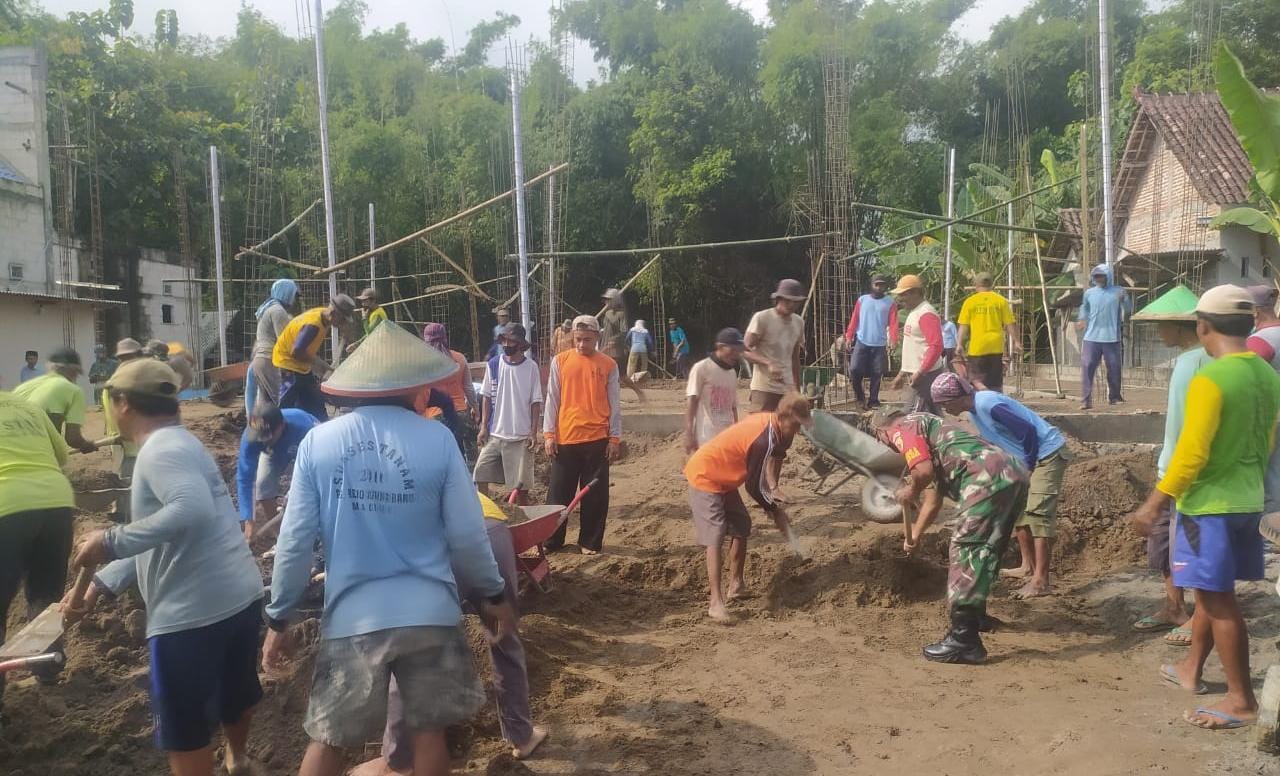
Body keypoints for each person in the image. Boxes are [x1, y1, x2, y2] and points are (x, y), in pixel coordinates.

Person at [262, 322, 515, 776]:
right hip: (430, 614)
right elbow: (466, 535)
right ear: (414, 387)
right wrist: (493, 596)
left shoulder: (319, 442)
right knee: (428, 734)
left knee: (329, 738)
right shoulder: (436, 440)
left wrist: (279, 617)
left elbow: (295, 541)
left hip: (354, 618)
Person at [64, 358, 265, 776]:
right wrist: (99, 583)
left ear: (120, 403)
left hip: (191, 615)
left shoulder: (158, 450)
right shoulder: (184, 443)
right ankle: (238, 760)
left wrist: (110, 540)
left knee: (185, 727)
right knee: (235, 694)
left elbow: (187, 511)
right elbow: (168, 532)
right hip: (239, 596)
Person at [1129, 284, 1280, 731]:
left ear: (1202, 326)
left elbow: (1191, 454)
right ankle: (1191, 669)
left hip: (1208, 505)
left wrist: (1153, 504)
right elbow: (1268, 440)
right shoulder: (1266, 375)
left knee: (1218, 603)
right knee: (1211, 596)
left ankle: (1241, 701)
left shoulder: (1210, 378)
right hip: (1247, 499)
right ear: (1250, 321)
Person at [360, 490, 549, 775]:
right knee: (504, 637)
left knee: (409, 651)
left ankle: (398, 761)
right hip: (491, 530)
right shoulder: (433, 464)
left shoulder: (370, 494)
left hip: (440, 543)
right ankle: (522, 735)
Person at [876, 407, 1029, 664]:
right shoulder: (933, 430)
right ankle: (977, 615)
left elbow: (922, 473)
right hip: (1011, 472)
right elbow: (933, 500)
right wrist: (914, 535)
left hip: (985, 479)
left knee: (966, 549)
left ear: (882, 433)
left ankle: (964, 640)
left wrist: (909, 491)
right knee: (987, 549)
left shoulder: (902, 429)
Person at [931, 372, 1070, 599]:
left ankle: (1041, 581)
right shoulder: (975, 411)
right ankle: (1027, 566)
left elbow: (1027, 431)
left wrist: (1028, 464)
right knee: (1019, 512)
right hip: (1029, 457)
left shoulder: (987, 404)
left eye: (945, 404)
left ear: (957, 398)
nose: (946, 409)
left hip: (1047, 454)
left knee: (1037, 514)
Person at [1129, 286, 1209, 644]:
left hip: (1182, 472)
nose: (1159, 333)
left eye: (1161, 326)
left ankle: (1191, 615)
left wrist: (1167, 479)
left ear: (1179, 327)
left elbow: (1180, 428)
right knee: (1175, 544)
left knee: (1179, 545)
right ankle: (1176, 607)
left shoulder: (1191, 364)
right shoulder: (1209, 359)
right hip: (1193, 470)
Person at [684, 393, 810, 621]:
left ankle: (736, 585)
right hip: (706, 474)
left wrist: (773, 509)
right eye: (796, 425)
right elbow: (753, 486)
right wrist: (774, 510)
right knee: (715, 535)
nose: (798, 431)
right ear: (785, 418)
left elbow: (776, 455)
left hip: (724, 476)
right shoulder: (764, 437)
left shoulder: (774, 425)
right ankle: (715, 602)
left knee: (741, 523)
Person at [0, 388, 75, 713]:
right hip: (55, 500)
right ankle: (47, 671)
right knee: (46, 594)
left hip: (7, 503)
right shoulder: (25, 406)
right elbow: (62, 455)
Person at [544, 315, 622, 555]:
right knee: (559, 493)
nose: (581, 345)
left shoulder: (608, 365)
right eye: (578, 340)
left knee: (595, 496)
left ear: (597, 337)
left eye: (587, 340)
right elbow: (552, 400)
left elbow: (615, 404)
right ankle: (552, 540)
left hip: (597, 438)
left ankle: (589, 542)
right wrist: (548, 434)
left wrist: (614, 438)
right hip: (565, 438)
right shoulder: (560, 361)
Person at [475, 323, 542, 503]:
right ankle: (486, 512)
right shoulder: (494, 365)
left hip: (520, 436)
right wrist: (483, 427)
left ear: (520, 344)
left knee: (521, 487)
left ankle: (522, 518)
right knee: (480, 473)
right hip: (496, 434)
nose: (506, 344)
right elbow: (486, 396)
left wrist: (533, 432)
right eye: (504, 340)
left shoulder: (531, 368)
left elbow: (536, 402)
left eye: (511, 341)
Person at [235, 404, 319, 540]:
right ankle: (280, 538)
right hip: (272, 453)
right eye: (259, 438)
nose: (261, 441)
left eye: (266, 437)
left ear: (281, 426)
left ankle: (311, 534)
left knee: (305, 497)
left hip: (306, 453)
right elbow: (245, 478)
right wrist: (248, 521)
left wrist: (292, 493)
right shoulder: (252, 436)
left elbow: (318, 468)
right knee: (263, 488)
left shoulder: (306, 428)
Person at [272, 294, 356, 421]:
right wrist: (319, 365)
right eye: (342, 320)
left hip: (300, 367)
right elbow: (297, 352)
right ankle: (273, 426)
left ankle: (320, 426)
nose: (342, 323)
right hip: (287, 365)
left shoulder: (323, 315)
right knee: (285, 405)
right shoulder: (313, 325)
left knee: (315, 402)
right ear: (334, 313)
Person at [14, 347, 97, 454]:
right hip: (36, 454)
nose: (76, 377)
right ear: (72, 370)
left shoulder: (23, 387)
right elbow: (73, 439)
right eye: (76, 373)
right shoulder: (73, 390)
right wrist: (86, 445)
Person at [100, 338, 148, 522]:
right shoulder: (123, 384)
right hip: (130, 445)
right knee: (130, 490)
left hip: (125, 444)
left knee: (128, 489)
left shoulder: (114, 382)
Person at [1245, 284, 1280, 533]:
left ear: (1256, 312)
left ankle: (1271, 531)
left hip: (1270, 418)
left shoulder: (1258, 341)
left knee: (1269, 474)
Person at [744, 279, 806, 412]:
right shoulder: (762, 318)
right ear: (778, 299)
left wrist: (796, 390)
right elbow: (745, 349)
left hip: (787, 389)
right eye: (788, 300)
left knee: (784, 430)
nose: (791, 305)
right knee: (761, 428)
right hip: (764, 388)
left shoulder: (798, 322)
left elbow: (795, 359)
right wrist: (767, 362)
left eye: (795, 302)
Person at [422, 322, 480, 463]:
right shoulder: (459, 358)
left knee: (443, 459)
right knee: (471, 458)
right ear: (445, 337)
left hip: (435, 417)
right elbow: (469, 389)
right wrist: (476, 408)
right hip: (461, 413)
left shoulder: (423, 363)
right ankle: (473, 483)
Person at [1076, 263, 1132, 409]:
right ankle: (1086, 400)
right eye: (1096, 276)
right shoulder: (1089, 293)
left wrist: (1124, 300)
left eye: (1101, 276)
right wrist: (1082, 319)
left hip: (1112, 337)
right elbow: (1084, 308)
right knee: (1088, 366)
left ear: (1108, 276)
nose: (1099, 278)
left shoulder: (1119, 291)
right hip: (1091, 337)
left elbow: (1128, 308)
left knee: (1114, 367)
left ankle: (1114, 396)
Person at [887, 275, 945, 415]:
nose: (900, 299)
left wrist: (920, 372)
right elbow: (914, 348)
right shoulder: (916, 312)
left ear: (915, 292)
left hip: (926, 375)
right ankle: (943, 436)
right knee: (932, 414)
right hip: (921, 374)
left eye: (903, 294)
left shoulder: (925, 313)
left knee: (911, 414)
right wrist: (902, 374)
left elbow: (936, 346)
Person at [956, 272, 1020, 392]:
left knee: (975, 379)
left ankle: (982, 395)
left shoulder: (970, 302)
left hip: (977, 347)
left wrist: (959, 344)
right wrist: (1017, 342)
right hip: (996, 346)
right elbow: (1010, 323)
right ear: (992, 285)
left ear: (976, 285)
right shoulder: (1000, 301)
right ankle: (994, 400)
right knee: (995, 381)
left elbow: (963, 326)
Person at [684, 327, 743, 453]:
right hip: (706, 437)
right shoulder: (701, 368)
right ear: (720, 347)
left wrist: (737, 432)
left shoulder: (732, 373)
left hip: (727, 437)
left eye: (738, 351)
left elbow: (733, 407)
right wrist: (689, 433)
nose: (735, 355)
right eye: (732, 350)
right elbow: (692, 401)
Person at [843, 274, 899, 409]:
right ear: (872, 285)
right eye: (877, 284)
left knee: (877, 372)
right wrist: (849, 336)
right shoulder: (862, 300)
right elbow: (854, 320)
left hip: (879, 343)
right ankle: (860, 397)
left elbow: (893, 323)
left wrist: (893, 339)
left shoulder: (890, 303)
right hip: (862, 341)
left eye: (882, 285)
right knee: (855, 369)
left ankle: (873, 400)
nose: (879, 287)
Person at [248, 278, 300, 414]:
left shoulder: (267, 308)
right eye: (294, 295)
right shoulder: (278, 311)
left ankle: (258, 430)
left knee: (265, 402)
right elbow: (284, 342)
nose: (294, 300)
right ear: (286, 293)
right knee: (277, 404)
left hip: (260, 359)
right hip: (270, 360)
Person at [600, 287, 646, 402]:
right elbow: (605, 330)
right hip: (604, 347)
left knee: (622, 376)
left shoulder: (621, 314)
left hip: (616, 350)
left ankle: (639, 392)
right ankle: (607, 397)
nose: (606, 302)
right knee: (603, 373)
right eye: (606, 300)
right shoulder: (607, 314)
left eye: (609, 300)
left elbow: (624, 331)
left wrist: (613, 341)